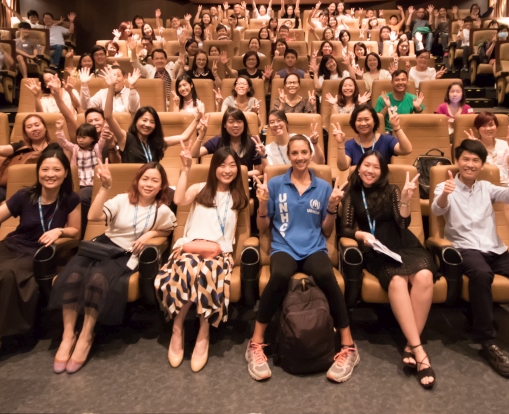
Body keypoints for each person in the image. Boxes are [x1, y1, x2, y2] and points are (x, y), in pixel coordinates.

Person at [432, 140, 509, 380]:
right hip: (464, 248)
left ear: (481, 164)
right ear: (458, 161)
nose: (470, 164)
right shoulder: (445, 186)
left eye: (475, 160)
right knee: (481, 274)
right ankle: (488, 341)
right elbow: (438, 210)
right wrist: (445, 195)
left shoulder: (486, 187)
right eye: (465, 159)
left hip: (495, 248)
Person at [0, 145, 81, 373]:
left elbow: (76, 230)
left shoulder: (70, 199)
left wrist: (59, 231)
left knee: (9, 275)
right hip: (13, 245)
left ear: (65, 173)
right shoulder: (25, 195)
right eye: (45, 169)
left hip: (42, 251)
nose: (50, 174)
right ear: (38, 172)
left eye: (56, 169)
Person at [246, 136, 356, 382]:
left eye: (304, 152)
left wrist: (332, 208)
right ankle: (255, 343)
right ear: (289, 155)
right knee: (281, 275)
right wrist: (262, 204)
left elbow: (327, 231)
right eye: (294, 153)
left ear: (310, 153)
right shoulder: (274, 184)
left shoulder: (324, 187)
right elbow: (262, 227)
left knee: (327, 276)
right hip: (283, 246)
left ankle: (348, 346)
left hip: (313, 247)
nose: (300, 157)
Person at [50, 160, 175, 373]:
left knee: (98, 277)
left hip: (126, 253)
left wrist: (151, 233)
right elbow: (93, 216)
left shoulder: (162, 211)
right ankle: (68, 334)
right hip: (102, 246)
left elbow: (168, 230)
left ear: (161, 185)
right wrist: (105, 187)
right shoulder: (122, 200)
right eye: (145, 178)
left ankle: (87, 335)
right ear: (137, 180)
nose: (148, 184)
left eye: (155, 180)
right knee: (73, 276)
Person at [339, 151, 438, 388]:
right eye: (366, 165)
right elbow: (345, 228)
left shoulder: (393, 190)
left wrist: (405, 199)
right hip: (376, 249)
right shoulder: (353, 193)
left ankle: (409, 344)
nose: (370, 170)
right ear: (358, 167)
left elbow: (403, 223)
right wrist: (360, 234)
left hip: (403, 244)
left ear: (382, 171)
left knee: (424, 275)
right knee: (397, 281)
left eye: (375, 167)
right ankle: (419, 350)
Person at [157, 148, 247, 372]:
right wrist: (186, 169)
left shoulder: (238, 197)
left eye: (232, 165)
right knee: (188, 268)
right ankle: (178, 327)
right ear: (213, 167)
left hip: (219, 252)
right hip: (190, 247)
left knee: (206, 273)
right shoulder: (200, 189)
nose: (227, 170)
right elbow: (178, 199)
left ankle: (203, 332)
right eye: (222, 165)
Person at [467, 111, 509, 238]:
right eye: (484, 126)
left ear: (496, 127)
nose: (488, 129)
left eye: (491, 125)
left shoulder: (504, 144)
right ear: (478, 129)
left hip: (503, 185)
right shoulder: (474, 145)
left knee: (506, 199)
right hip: (482, 186)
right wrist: (472, 149)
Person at [0, 112, 52, 201]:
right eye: (29, 127)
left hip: (41, 188)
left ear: (45, 127)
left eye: (37, 125)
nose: (34, 129)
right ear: (26, 132)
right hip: (13, 187)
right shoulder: (21, 146)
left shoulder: (54, 148)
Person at [54, 118, 106, 222]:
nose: (80, 140)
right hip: (78, 181)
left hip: (94, 182)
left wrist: (107, 123)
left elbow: (103, 137)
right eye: (78, 137)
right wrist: (59, 130)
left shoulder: (97, 147)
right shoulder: (75, 148)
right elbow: (63, 142)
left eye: (84, 137)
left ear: (92, 138)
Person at [333, 104, 412, 171]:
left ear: (374, 121)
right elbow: (342, 167)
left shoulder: (386, 140)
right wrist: (340, 143)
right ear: (354, 123)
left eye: (367, 119)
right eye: (359, 120)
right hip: (358, 186)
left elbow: (406, 150)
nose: (363, 123)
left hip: (381, 185)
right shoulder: (350, 144)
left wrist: (397, 127)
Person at [115, 105, 199, 164]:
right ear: (136, 121)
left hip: (154, 183)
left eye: (152, 122)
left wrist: (197, 118)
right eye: (144, 120)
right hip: (133, 186)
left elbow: (184, 137)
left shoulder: (156, 142)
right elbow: (108, 117)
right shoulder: (126, 139)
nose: (147, 124)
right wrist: (111, 86)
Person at [191, 108, 263, 177]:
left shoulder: (252, 141)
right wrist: (202, 135)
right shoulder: (217, 140)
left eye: (239, 122)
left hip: (243, 182)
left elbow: (258, 170)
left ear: (244, 124)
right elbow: (194, 154)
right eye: (231, 122)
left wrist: (237, 175)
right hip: (221, 183)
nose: (235, 125)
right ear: (225, 125)